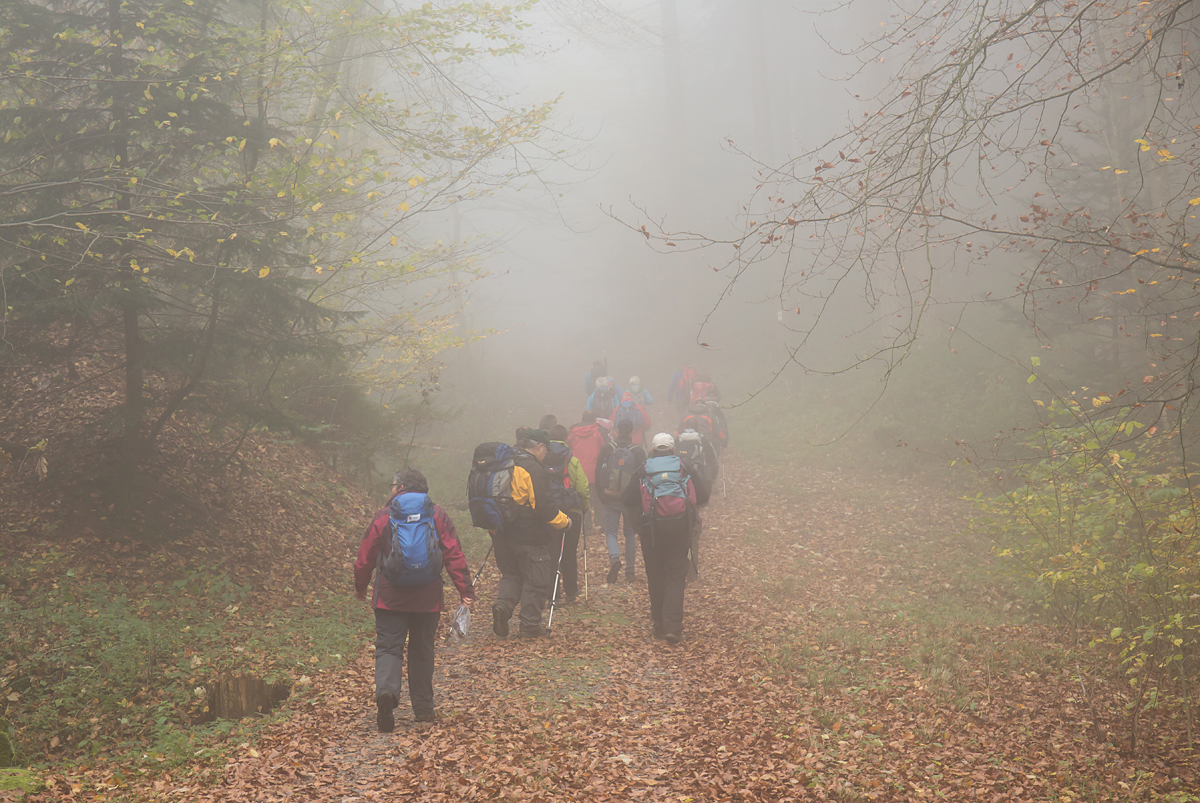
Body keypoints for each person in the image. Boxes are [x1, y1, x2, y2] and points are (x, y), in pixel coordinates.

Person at [354, 468, 475, 732]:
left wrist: (360, 586)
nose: (391, 489)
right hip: (427, 597)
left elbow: (366, 555)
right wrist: (464, 590)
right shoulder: (437, 513)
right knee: (422, 650)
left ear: (400, 487)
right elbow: (453, 552)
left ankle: (387, 693)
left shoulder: (385, 516)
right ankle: (423, 709)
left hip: (389, 597)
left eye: (392, 485)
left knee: (388, 648)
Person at [621, 433, 710, 644]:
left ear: (652, 450)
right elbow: (704, 495)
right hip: (680, 528)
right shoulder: (683, 466)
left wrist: (638, 524)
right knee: (676, 574)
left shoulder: (644, 468)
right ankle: (673, 627)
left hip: (651, 530)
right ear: (672, 450)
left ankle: (659, 625)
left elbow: (627, 498)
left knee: (655, 575)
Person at [491, 430, 572, 639]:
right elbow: (544, 507)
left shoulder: (502, 462)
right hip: (527, 533)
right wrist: (565, 522)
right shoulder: (532, 468)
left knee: (511, 574)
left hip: (499, 531)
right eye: (546, 450)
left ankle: (503, 606)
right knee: (537, 579)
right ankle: (529, 626)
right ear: (539, 447)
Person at [595, 419, 646, 583]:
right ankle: (630, 572)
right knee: (630, 533)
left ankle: (615, 558)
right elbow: (643, 476)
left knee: (611, 532)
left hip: (611, 497)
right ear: (631, 431)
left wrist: (601, 494)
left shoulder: (607, 448)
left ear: (617, 430)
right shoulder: (638, 451)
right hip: (630, 500)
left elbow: (598, 472)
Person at [546, 424, 589, 603]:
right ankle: (571, 591)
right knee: (569, 552)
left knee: (551, 552)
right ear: (565, 438)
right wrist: (584, 507)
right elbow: (583, 487)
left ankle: (552, 594)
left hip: (549, 512)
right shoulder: (571, 459)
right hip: (571, 511)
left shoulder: (542, 458)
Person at [568, 410, 608, 535]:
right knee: (598, 498)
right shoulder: (599, 431)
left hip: (577, 470)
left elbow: (567, 449)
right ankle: (600, 523)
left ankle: (586, 525)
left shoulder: (572, 433)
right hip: (595, 470)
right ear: (594, 420)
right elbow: (605, 449)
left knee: (581, 497)